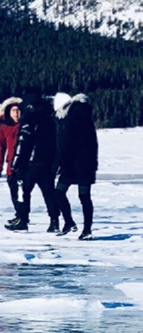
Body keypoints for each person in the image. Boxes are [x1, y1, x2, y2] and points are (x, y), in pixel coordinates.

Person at [5, 96, 58, 231]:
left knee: (23, 192)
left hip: (30, 165)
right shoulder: (50, 121)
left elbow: (23, 143)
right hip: (48, 163)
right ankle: (54, 221)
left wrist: (16, 163)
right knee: (49, 192)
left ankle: (22, 220)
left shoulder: (28, 121)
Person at [53, 92, 98, 238]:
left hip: (72, 163)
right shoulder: (85, 114)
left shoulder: (71, 117)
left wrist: (57, 164)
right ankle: (85, 229)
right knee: (84, 196)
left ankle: (71, 223)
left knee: (60, 192)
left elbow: (65, 143)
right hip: (86, 163)